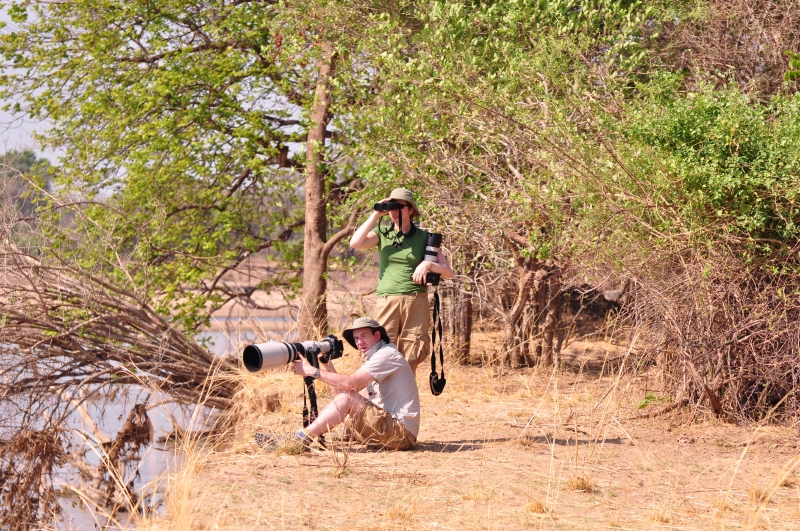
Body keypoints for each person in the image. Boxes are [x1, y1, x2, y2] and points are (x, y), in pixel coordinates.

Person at [349, 188, 453, 375]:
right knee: (380, 353)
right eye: (391, 207)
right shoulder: (382, 234)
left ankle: (405, 393)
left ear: (411, 209)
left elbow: (447, 272)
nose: (394, 211)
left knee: (411, 354)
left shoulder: (424, 237)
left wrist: (428, 264)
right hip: (387, 300)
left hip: (416, 300)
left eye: (399, 206)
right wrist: (376, 214)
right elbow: (355, 243)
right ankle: (381, 393)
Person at [281, 317, 420, 452]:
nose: (359, 342)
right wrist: (327, 365)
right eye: (356, 338)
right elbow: (342, 399)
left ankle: (300, 438)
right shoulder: (374, 358)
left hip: (401, 434)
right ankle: (302, 435)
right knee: (345, 406)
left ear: (377, 335)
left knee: (346, 399)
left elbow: (349, 385)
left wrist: (311, 371)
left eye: (364, 336)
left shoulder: (387, 354)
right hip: (390, 430)